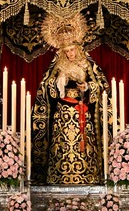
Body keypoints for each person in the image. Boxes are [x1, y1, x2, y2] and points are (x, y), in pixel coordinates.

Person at [31, 13, 110, 185]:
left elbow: (102, 86)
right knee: (62, 144)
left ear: (78, 48)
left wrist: (87, 87)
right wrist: (60, 83)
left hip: (82, 109)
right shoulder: (58, 65)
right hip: (63, 113)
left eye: (72, 50)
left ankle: (88, 175)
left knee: (84, 143)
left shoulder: (88, 64)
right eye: (66, 51)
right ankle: (59, 175)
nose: (70, 54)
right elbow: (46, 88)